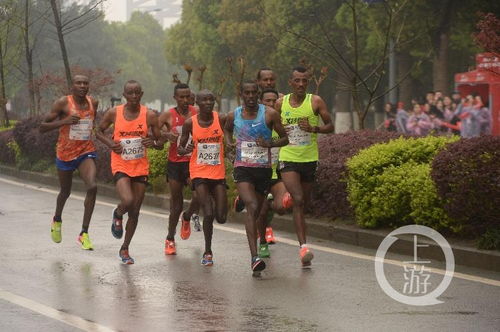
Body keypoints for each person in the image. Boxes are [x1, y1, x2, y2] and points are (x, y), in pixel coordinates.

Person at [225, 81, 288, 273]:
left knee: (259, 209)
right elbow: (227, 129)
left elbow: (285, 138)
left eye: (254, 93)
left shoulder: (269, 114)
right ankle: (254, 257)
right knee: (252, 208)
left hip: (263, 170)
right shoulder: (233, 115)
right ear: (241, 94)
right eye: (247, 93)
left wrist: (270, 143)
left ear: (258, 94)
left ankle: (243, 201)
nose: (251, 96)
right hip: (243, 168)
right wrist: (229, 144)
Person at [273, 67, 334, 268]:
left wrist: (314, 128)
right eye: (297, 81)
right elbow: (273, 126)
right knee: (299, 200)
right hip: (288, 156)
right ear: (290, 82)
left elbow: (330, 126)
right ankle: (304, 247)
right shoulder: (280, 103)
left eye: (304, 81)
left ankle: (289, 196)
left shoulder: (315, 101)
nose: (301, 84)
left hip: (309, 159)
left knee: (303, 203)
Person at [96, 80, 161, 264]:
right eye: (130, 93)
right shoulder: (114, 113)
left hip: (140, 166)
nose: (133, 97)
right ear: (124, 95)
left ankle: (125, 248)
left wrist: (153, 143)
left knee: (135, 212)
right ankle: (117, 213)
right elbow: (98, 131)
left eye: (137, 93)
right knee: (128, 200)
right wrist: (110, 144)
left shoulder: (149, 115)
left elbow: (160, 141)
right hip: (121, 164)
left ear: (141, 94)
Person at [40, 75, 98, 250]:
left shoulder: (93, 102)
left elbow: (91, 123)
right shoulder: (63, 103)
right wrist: (64, 121)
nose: (82, 86)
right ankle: (57, 219)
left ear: (88, 86)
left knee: (93, 187)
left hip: (85, 151)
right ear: (72, 86)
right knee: (65, 191)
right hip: (65, 154)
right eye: (78, 83)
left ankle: (84, 233)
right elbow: (42, 127)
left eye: (85, 83)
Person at [177, 89, 228, 266]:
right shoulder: (190, 123)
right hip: (199, 172)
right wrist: (185, 150)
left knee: (221, 217)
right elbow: (180, 147)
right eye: (204, 100)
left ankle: (187, 215)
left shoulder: (221, 119)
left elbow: (228, 138)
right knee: (208, 212)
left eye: (211, 100)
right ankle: (208, 252)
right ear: (197, 103)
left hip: (218, 172)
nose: (208, 103)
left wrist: (230, 146)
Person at [158, 83, 200, 255]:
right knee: (176, 203)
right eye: (181, 97)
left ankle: (188, 216)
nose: (184, 100)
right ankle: (170, 238)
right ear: (175, 97)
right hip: (175, 163)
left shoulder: (196, 112)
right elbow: (153, 131)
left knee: (199, 195)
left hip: (193, 162)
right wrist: (166, 135)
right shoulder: (169, 115)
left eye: (187, 96)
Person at [255, 89, 294, 246]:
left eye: (274, 101)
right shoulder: (255, 122)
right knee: (261, 212)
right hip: (260, 173)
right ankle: (263, 243)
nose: (272, 104)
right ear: (261, 102)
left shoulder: (283, 121)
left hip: (278, 171)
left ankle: (270, 202)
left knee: (281, 208)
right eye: (267, 101)